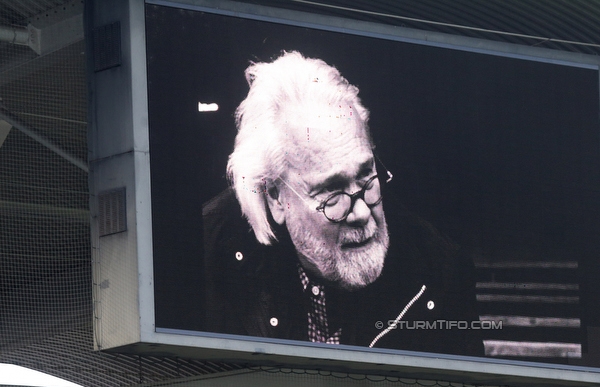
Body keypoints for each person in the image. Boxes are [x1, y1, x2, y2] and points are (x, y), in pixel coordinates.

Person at [203, 51, 482, 355]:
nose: (362, 212)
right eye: (332, 193)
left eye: (366, 178)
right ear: (275, 197)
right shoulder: (205, 254)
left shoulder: (440, 271)